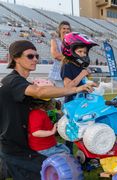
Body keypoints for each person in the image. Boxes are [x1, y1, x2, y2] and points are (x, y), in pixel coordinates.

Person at [0, 40, 95, 179]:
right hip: (15, 148)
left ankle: (5, 166)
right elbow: (39, 92)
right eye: (30, 56)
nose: (35, 59)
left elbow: (41, 99)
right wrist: (74, 89)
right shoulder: (13, 81)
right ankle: (5, 165)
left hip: (24, 144)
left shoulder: (21, 82)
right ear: (15, 58)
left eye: (37, 56)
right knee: (50, 173)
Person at [60, 32, 98, 153]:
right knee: (72, 132)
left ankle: (86, 156)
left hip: (83, 102)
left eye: (85, 52)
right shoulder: (67, 66)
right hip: (72, 104)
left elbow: (83, 84)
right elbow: (68, 87)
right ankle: (69, 155)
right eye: (80, 52)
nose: (83, 54)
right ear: (70, 51)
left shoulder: (81, 67)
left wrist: (91, 85)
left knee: (87, 129)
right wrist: (82, 74)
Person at [28, 79, 70, 157]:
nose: (54, 101)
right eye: (52, 99)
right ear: (46, 102)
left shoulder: (42, 112)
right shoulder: (36, 114)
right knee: (65, 155)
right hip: (43, 148)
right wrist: (52, 132)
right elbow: (35, 132)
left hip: (49, 144)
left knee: (66, 150)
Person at [48, 21, 71, 88]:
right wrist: (72, 59)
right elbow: (55, 55)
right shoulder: (54, 41)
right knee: (58, 97)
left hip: (69, 74)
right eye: (64, 28)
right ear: (59, 30)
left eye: (68, 29)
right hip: (57, 74)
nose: (66, 30)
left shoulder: (73, 43)